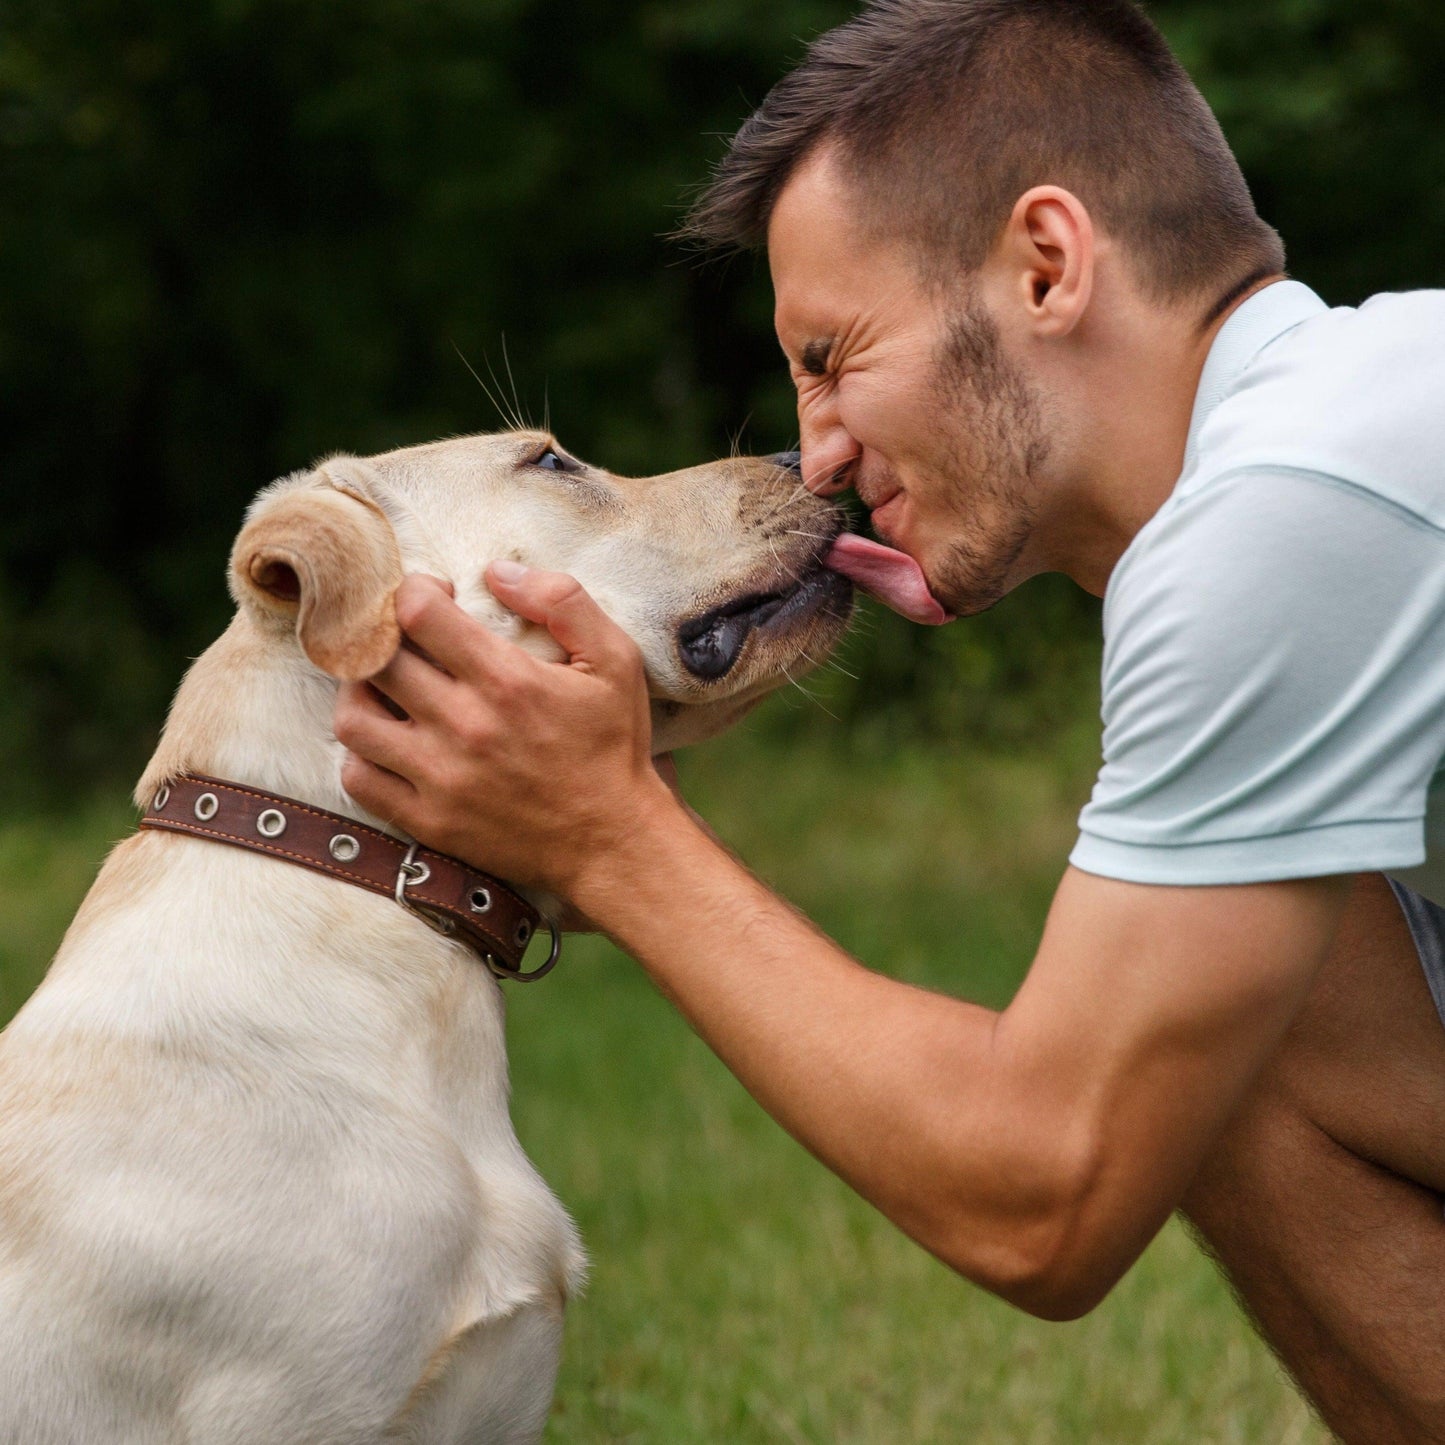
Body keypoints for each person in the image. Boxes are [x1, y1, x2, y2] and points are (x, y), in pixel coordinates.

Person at [332, 2, 1445, 1438]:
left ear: (1045, 265)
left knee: (1153, 1063)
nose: (818, 453)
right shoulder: (1345, 428)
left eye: (832, 355)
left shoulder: (1280, 516)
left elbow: (1043, 1191)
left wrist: (611, 838)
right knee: (1217, 1007)